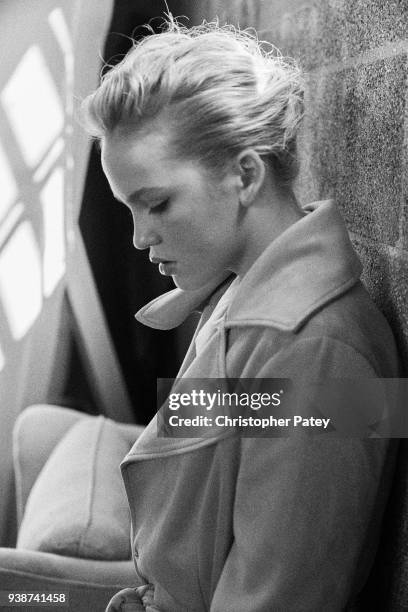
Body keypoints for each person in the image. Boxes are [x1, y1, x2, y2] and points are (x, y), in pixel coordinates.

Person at [81, 17, 400, 612]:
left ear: (246, 175)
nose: (137, 238)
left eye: (156, 203)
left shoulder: (319, 357)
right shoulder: (243, 294)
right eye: (129, 208)